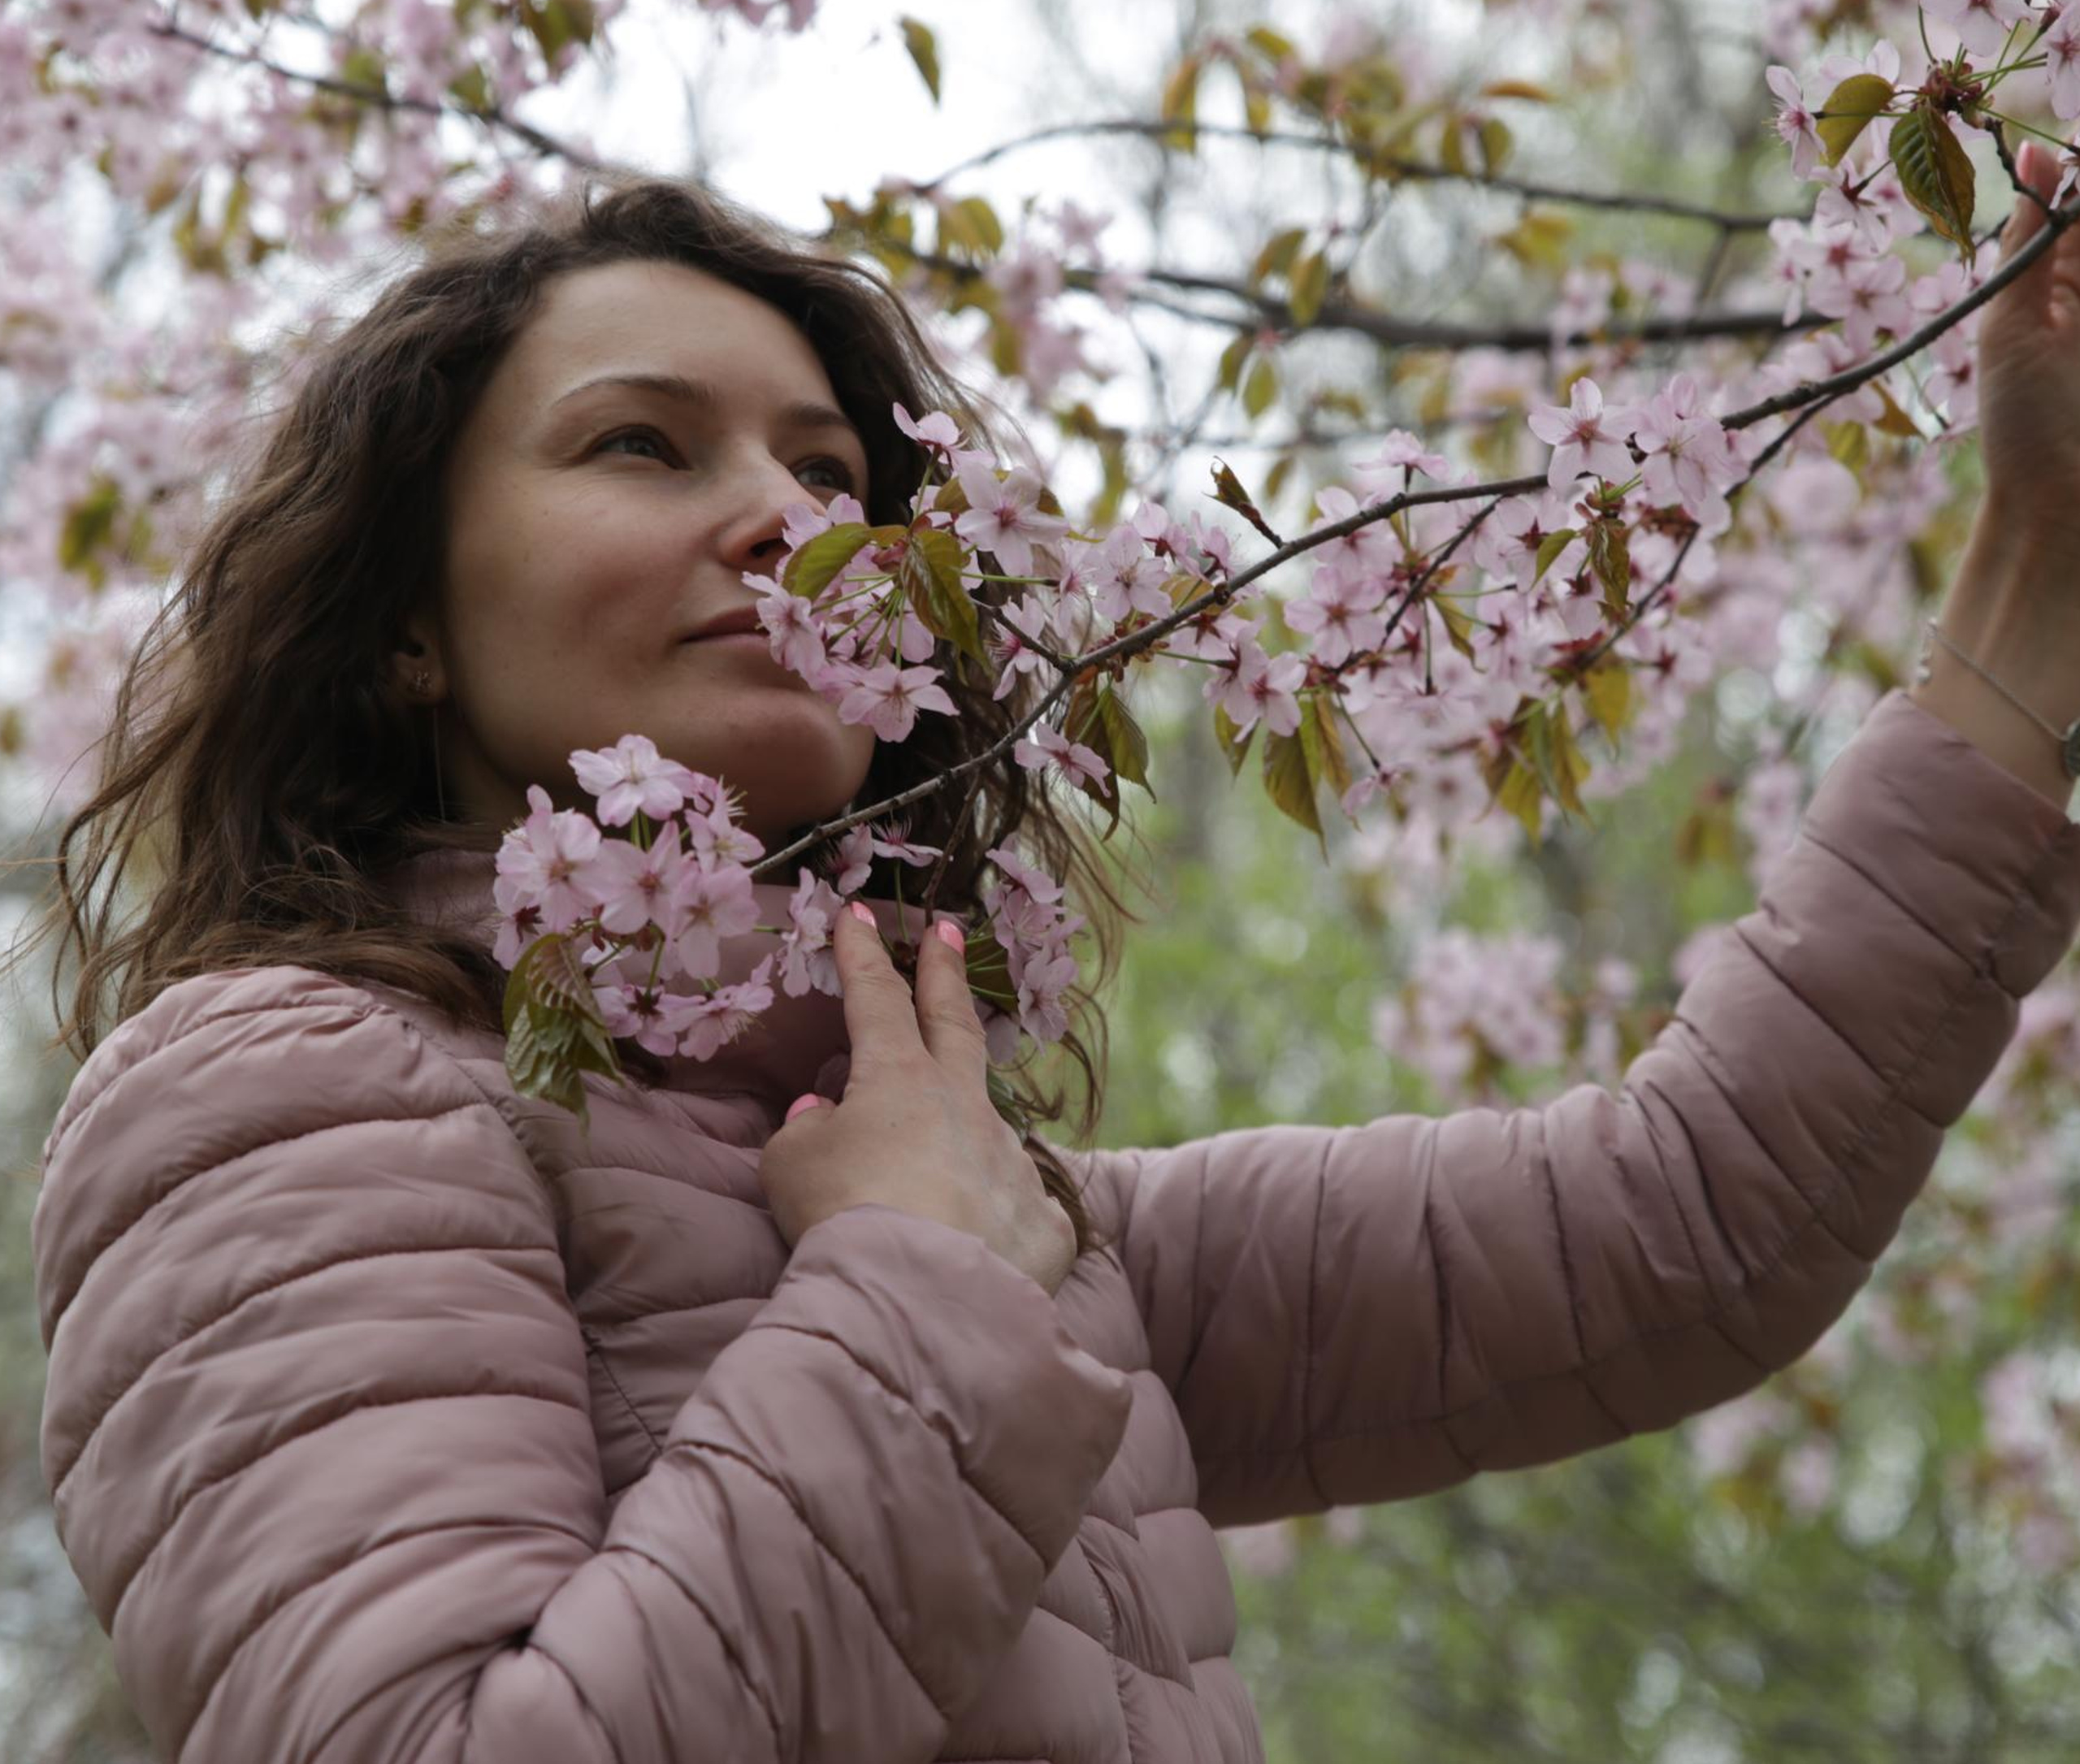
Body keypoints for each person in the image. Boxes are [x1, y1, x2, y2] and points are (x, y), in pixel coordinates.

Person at [22, 141, 2080, 1764]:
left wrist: (2027, 571)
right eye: (642, 442)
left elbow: (1682, 1217)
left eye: (832, 474)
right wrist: (912, 1286)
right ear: (403, 622)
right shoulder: (290, 1079)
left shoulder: (1006, 1208)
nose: (790, 518)